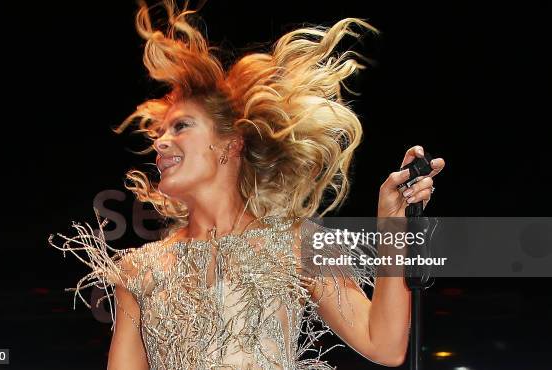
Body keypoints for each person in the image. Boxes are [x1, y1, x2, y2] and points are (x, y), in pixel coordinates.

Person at [49, 1, 445, 369]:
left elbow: (385, 344)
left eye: (181, 126)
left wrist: (392, 222)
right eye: (160, 132)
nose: (161, 141)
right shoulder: (138, 270)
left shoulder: (295, 243)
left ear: (230, 143)